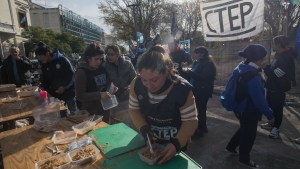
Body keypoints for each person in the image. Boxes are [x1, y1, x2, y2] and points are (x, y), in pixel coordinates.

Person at [129, 45, 198, 164]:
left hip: (177, 138)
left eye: (154, 80)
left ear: (166, 72)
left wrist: (177, 144)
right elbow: (134, 109)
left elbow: (191, 120)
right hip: (151, 139)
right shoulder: (136, 84)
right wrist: (144, 128)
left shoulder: (182, 89)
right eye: (144, 80)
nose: (149, 86)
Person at [225, 44, 274, 168]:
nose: (264, 61)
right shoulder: (252, 75)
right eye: (263, 58)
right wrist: (269, 114)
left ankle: (231, 146)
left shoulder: (242, 67)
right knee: (249, 135)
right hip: (248, 109)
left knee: (244, 128)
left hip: (239, 108)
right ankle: (244, 159)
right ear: (258, 59)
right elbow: (259, 99)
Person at [260, 35, 296, 139]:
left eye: (273, 43)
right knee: (270, 106)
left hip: (278, 88)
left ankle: (275, 129)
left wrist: (266, 68)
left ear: (279, 44)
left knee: (277, 109)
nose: (272, 45)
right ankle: (271, 124)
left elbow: (278, 73)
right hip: (272, 86)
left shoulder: (286, 57)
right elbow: (274, 69)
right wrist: (267, 67)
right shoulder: (278, 55)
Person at [182, 46, 216, 137]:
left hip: (203, 90)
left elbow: (203, 77)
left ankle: (200, 130)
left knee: (201, 110)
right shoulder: (197, 62)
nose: (196, 55)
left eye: (198, 53)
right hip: (196, 89)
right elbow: (193, 74)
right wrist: (186, 69)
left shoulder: (208, 63)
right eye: (196, 53)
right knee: (200, 109)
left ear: (203, 54)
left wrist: (189, 71)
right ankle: (203, 127)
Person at [35, 41, 77, 114]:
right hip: (55, 96)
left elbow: (72, 76)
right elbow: (46, 80)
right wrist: (41, 86)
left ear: (47, 54)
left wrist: (64, 87)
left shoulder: (62, 60)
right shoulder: (44, 64)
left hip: (68, 94)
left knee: (74, 114)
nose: (40, 60)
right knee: (60, 115)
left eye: (41, 57)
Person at [75, 43, 113, 123]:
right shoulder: (81, 72)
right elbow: (80, 96)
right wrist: (100, 95)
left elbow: (108, 81)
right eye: (96, 59)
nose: (99, 61)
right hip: (91, 113)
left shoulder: (102, 67)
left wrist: (111, 88)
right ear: (88, 58)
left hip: (105, 109)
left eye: (101, 59)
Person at [104, 44, 137, 126]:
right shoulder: (104, 66)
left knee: (129, 120)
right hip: (114, 98)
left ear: (118, 54)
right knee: (116, 121)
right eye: (108, 54)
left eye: (112, 54)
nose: (109, 56)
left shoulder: (127, 63)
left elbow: (135, 78)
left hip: (127, 96)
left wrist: (130, 87)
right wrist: (109, 88)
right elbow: (104, 82)